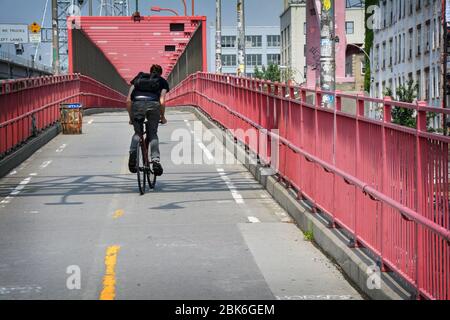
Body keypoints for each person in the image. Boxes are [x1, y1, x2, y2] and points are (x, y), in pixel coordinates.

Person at [126, 64, 169, 176]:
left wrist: (131, 118)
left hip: (137, 104)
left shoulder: (138, 79)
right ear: (160, 73)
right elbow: (162, 100)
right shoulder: (161, 81)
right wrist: (162, 117)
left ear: (150, 72)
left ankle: (132, 154)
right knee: (152, 133)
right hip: (153, 105)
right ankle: (155, 161)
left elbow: (128, 101)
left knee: (137, 133)